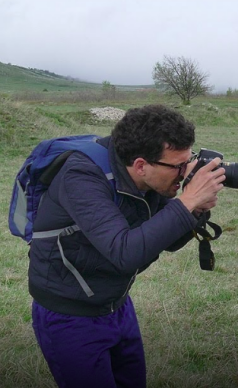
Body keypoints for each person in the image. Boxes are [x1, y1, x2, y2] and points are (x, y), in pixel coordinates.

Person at [28, 104, 226, 387]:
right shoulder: (81, 177)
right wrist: (186, 202)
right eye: (178, 166)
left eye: (189, 161)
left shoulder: (148, 180)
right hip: (69, 314)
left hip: (116, 303)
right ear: (141, 165)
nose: (185, 173)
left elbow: (166, 242)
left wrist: (194, 212)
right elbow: (125, 253)